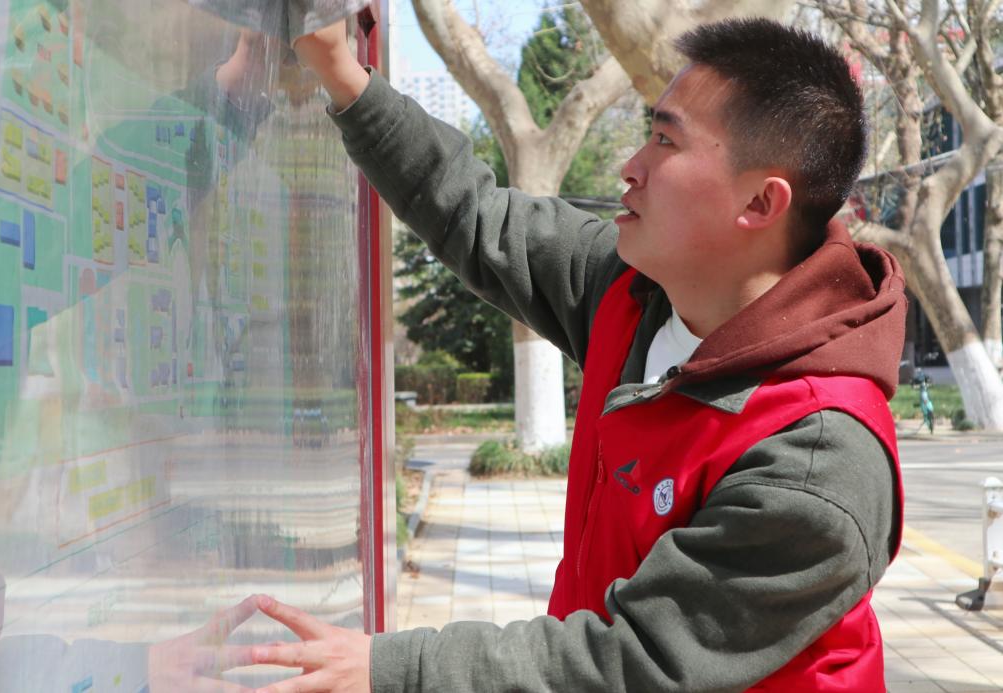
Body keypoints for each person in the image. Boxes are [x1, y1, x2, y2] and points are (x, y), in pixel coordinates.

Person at [247, 16, 908, 693]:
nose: (631, 167)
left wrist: (393, 668)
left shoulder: (814, 459)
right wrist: (342, 74)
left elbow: (632, 660)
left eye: (664, 140)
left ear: (761, 201)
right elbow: (474, 214)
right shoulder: (632, 293)